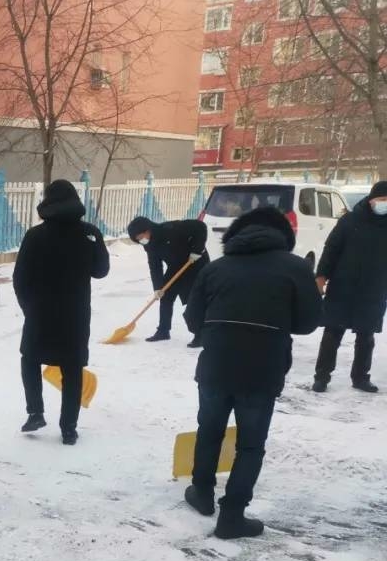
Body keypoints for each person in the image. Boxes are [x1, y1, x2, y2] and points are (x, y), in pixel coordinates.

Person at [183, 207, 321, 540]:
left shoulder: (217, 268)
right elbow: (307, 323)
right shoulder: (296, 268)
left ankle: (202, 493)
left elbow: (191, 320)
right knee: (250, 445)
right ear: (283, 236)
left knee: (209, 430)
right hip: (263, 369)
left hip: (215, 366)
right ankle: (231, 516)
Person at [14, 180, 110, 445]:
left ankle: (35, 411)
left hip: (40, 312)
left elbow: (20, 277)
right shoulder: (88, 233)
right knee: (72, 368)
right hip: (75, 313)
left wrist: (28, 308)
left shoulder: (35, 235)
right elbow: (101, 271)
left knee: (29, 358)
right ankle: (69, 428)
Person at [312, 180, 387, 394]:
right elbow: (331, 249)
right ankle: (321, 377)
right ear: (371, 200)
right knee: (332, 333)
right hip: (343, 286)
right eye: (382, 200)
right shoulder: (350, 221)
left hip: (373, 290)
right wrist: (321, 276)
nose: (385, 204)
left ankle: (361, 377)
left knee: (366, 336)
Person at [127, 215, 210, 346]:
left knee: (193, 299)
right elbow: (155, 265)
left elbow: (200, 226)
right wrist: (158, 288)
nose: (141, 240)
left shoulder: (171, 229)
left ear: (147, 230)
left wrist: (197, 249)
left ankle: (200, 334)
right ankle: (163, 331)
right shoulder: (149, 244)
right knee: (166, 296)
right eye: (137, 240)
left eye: (140, 237)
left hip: (195, 263)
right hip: (176, 266)